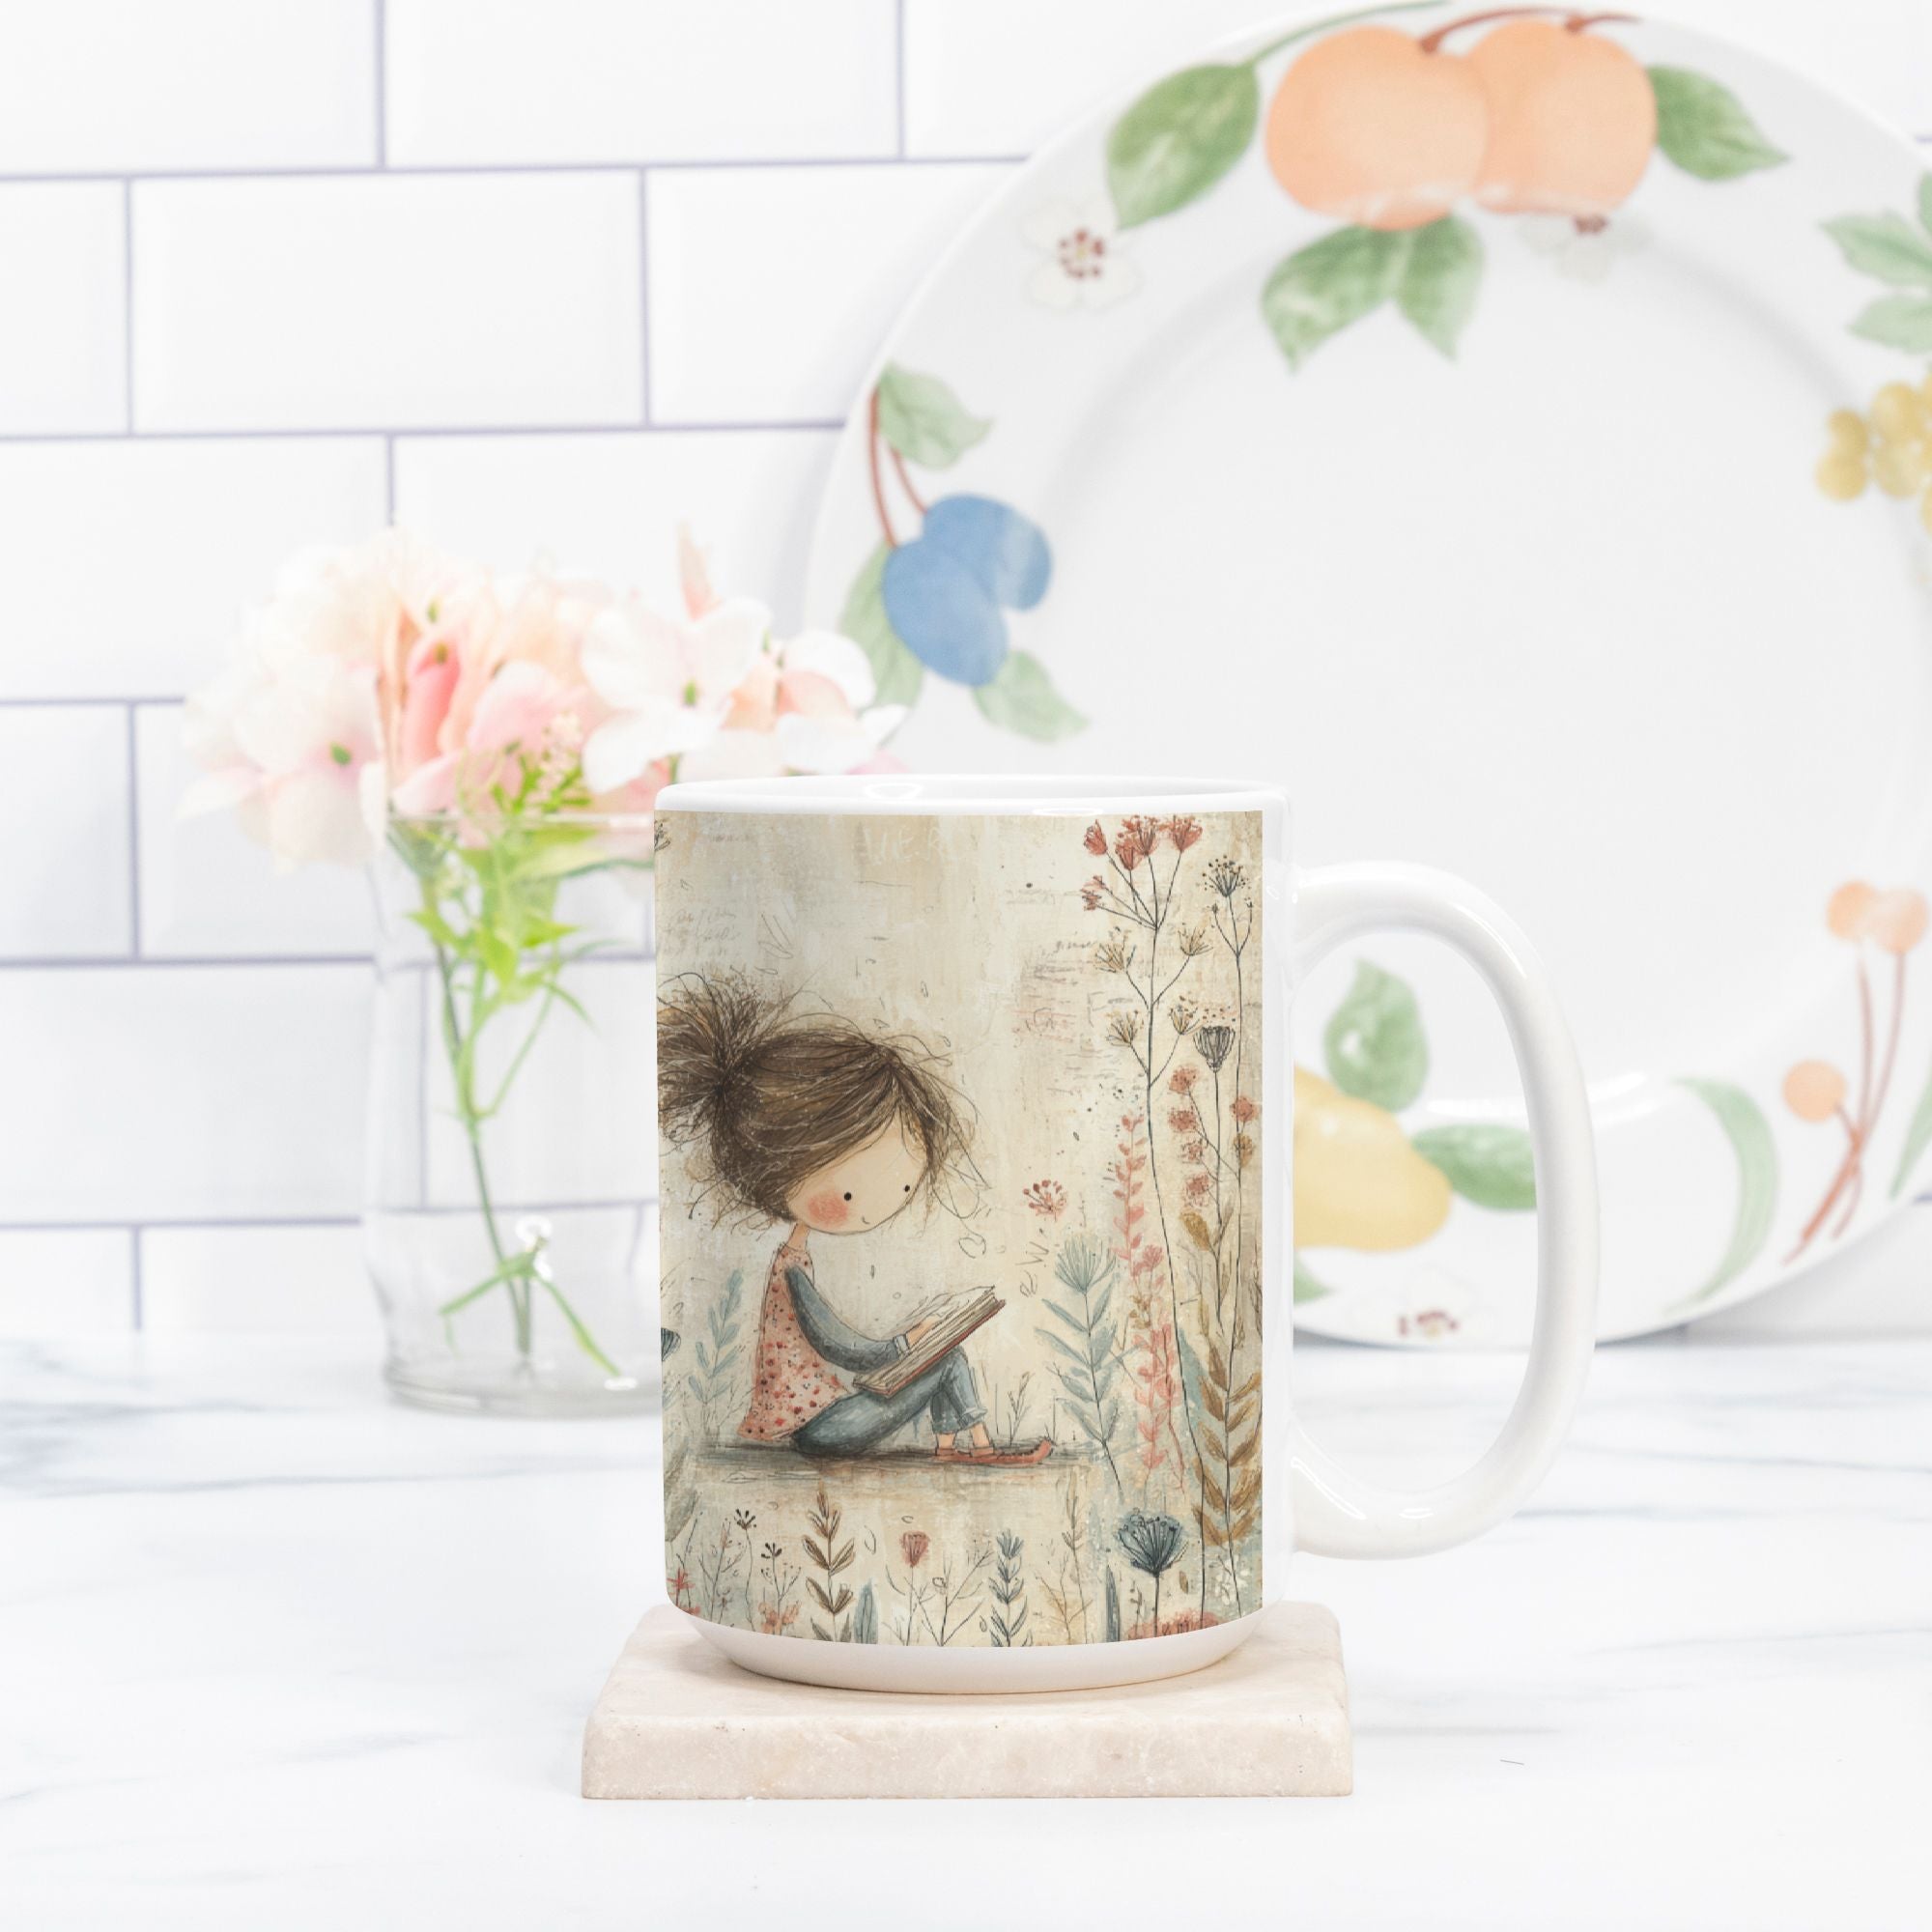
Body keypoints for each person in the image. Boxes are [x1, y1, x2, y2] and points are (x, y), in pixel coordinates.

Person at [659, 975, 1051, 1465]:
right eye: (848, 1190)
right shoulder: (792, 1270)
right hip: (821, 1428)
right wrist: (908, 1340)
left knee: (943, 1352)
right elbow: (840, 1346)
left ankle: (954, 1446)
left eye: (904, 1187)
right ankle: (973, 1447)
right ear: (783, 1170)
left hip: (831, 1415)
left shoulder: (795, 1259)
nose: (876, 1205)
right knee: (944, 1354)